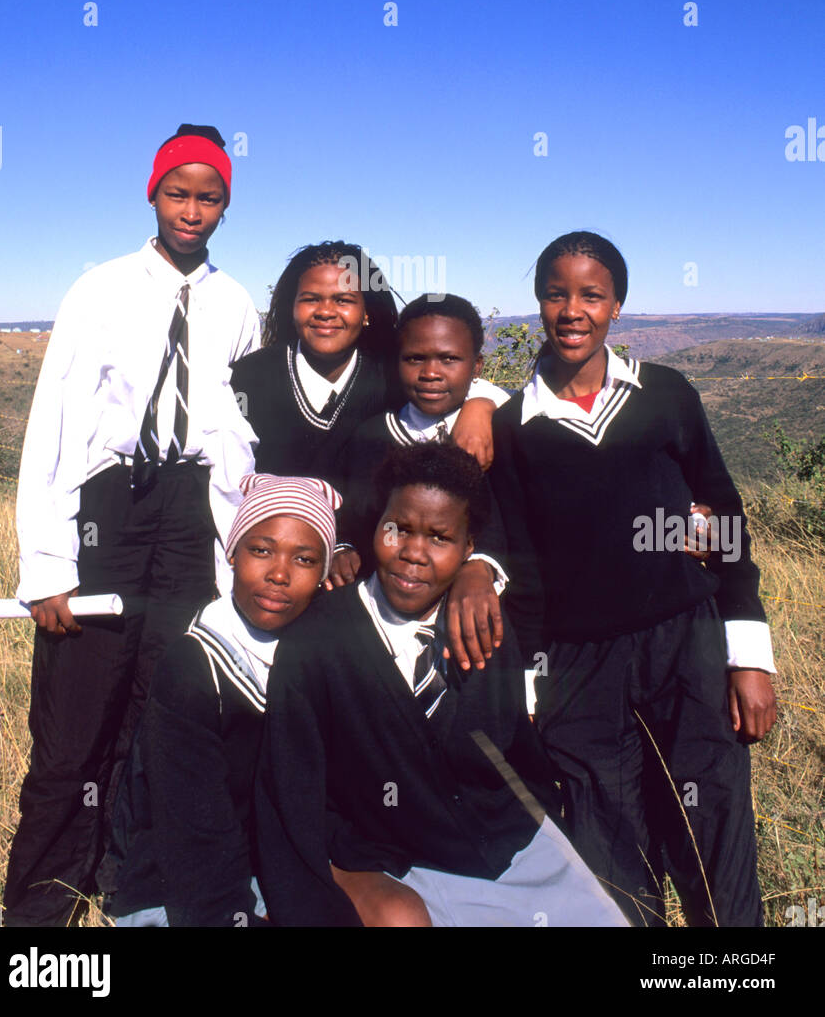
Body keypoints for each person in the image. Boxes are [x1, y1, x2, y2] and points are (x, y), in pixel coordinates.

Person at [4, 124, 260, 927]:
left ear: (226, 205)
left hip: (193, 515)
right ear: (152, 195)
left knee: (164, 711)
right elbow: (56, 419)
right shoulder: (102, 289)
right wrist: (47, 563)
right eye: (178, 193)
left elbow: (240, 431)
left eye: (208, 196)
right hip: (109, 512)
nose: (192, 210)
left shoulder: (235, 303)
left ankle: (132, 891)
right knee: (75, 724)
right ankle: (40, 917)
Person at [489, 230, 778, 927]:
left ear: (617, 305)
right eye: (556, 293)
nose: (573, 309)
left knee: (711, 834)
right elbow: (520, 565)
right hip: (578, 666)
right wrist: (530, 685)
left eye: (592, 294)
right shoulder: (513, 427)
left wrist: (749, 656)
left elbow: (727, 517)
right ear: (538, 303)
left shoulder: (664, 397)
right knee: (608, 850)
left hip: (686, 647)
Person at [253, 442, 629, 927]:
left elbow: (512, 748)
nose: (413, 553)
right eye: (398, 530)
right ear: (376, 526)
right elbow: (291, 785)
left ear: (469, 549)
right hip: (393, 861)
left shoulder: (485, 623)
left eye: (439, 537)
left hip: (506, 846)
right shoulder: (318, 642)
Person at [108, 471, 428, 928]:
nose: (279, 574)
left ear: (322, 574)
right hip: (188, 884)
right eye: (261, 550)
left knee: (402, 915)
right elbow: (191, 835)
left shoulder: (317, 649)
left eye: (304, 559)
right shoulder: (194, 666)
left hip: (282, 861)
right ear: (232, 555)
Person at [333, 293, 511, 672]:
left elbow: (512, 521)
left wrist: (481, 564)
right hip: (381, 628)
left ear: (476, 365)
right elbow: (356, 515)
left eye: (449, 359)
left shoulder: (498, 436)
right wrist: (343, 547)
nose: (431, 372)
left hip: (476, 634)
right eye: (415, 358)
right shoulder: (371, 437)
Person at [229, 242, 498, 489]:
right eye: (310, 299)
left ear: (367, 311)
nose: (325, 311)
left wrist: (479, 407)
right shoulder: (250, 377)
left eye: (343, 300)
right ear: (293, 306)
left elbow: (452, 379)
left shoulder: (390, 375)